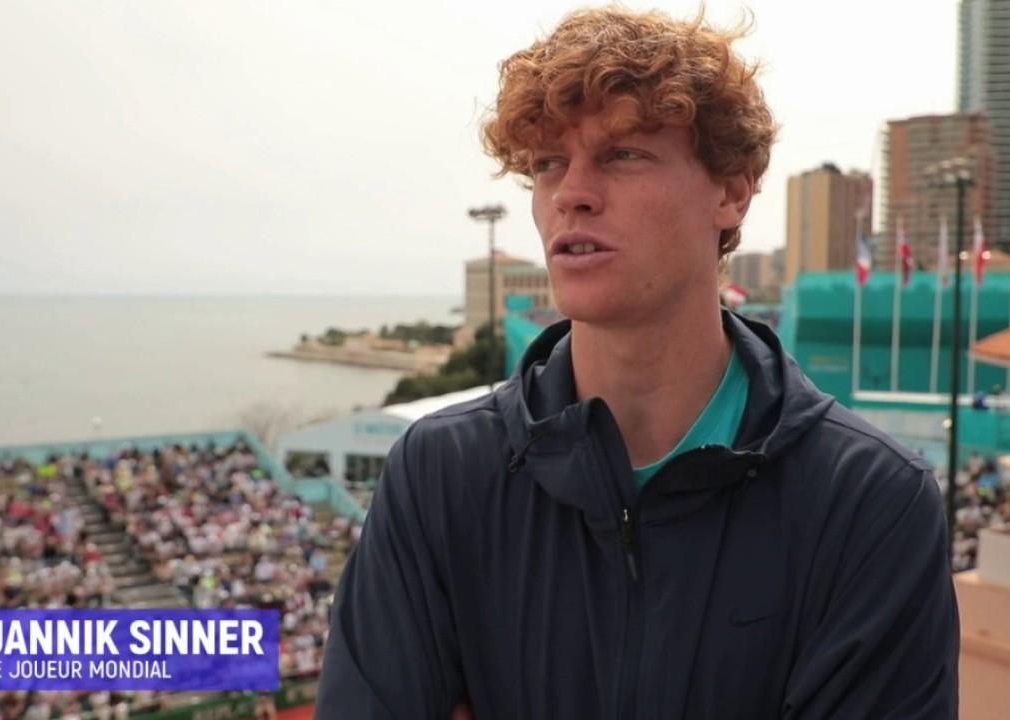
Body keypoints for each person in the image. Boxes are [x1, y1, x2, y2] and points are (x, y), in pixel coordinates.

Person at [316, 5, 958, 718]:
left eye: (622, 153)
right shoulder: (439, 474)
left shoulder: (869, 501)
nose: (571, 194)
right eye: (548, 164)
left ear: (731, 189)